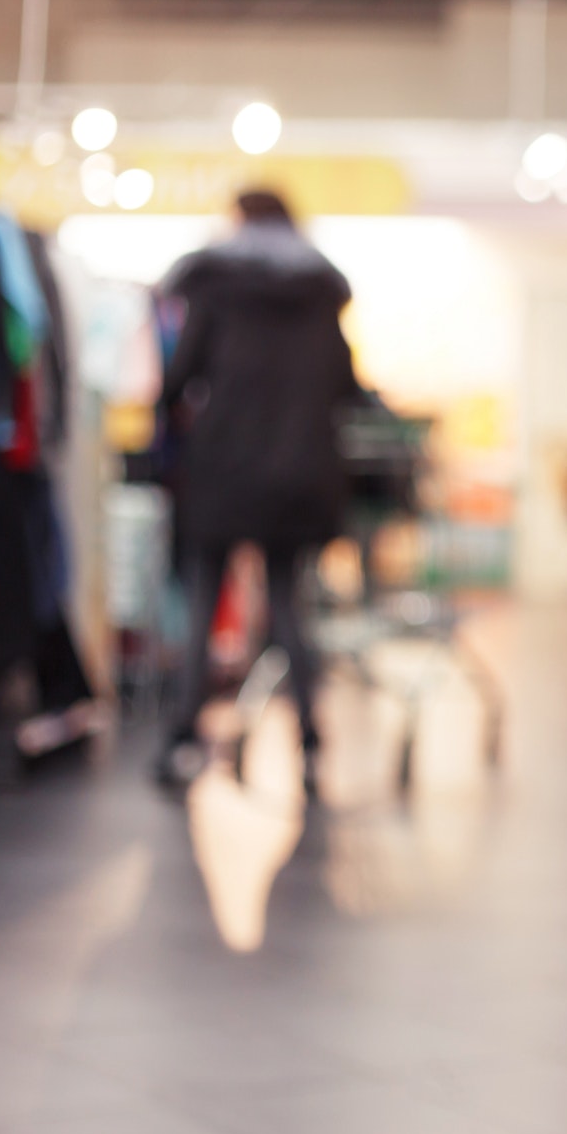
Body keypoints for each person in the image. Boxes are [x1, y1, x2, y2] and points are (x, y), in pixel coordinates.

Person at [157, 190, 359, 791]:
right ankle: (310, 744)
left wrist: (165, 420)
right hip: (299, 475)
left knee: (202, 604)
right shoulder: (319, 295)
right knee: (289, 607)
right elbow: (345, 383)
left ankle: (183, 738)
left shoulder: (214, 285)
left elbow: (179, 379)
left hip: (222, 468)